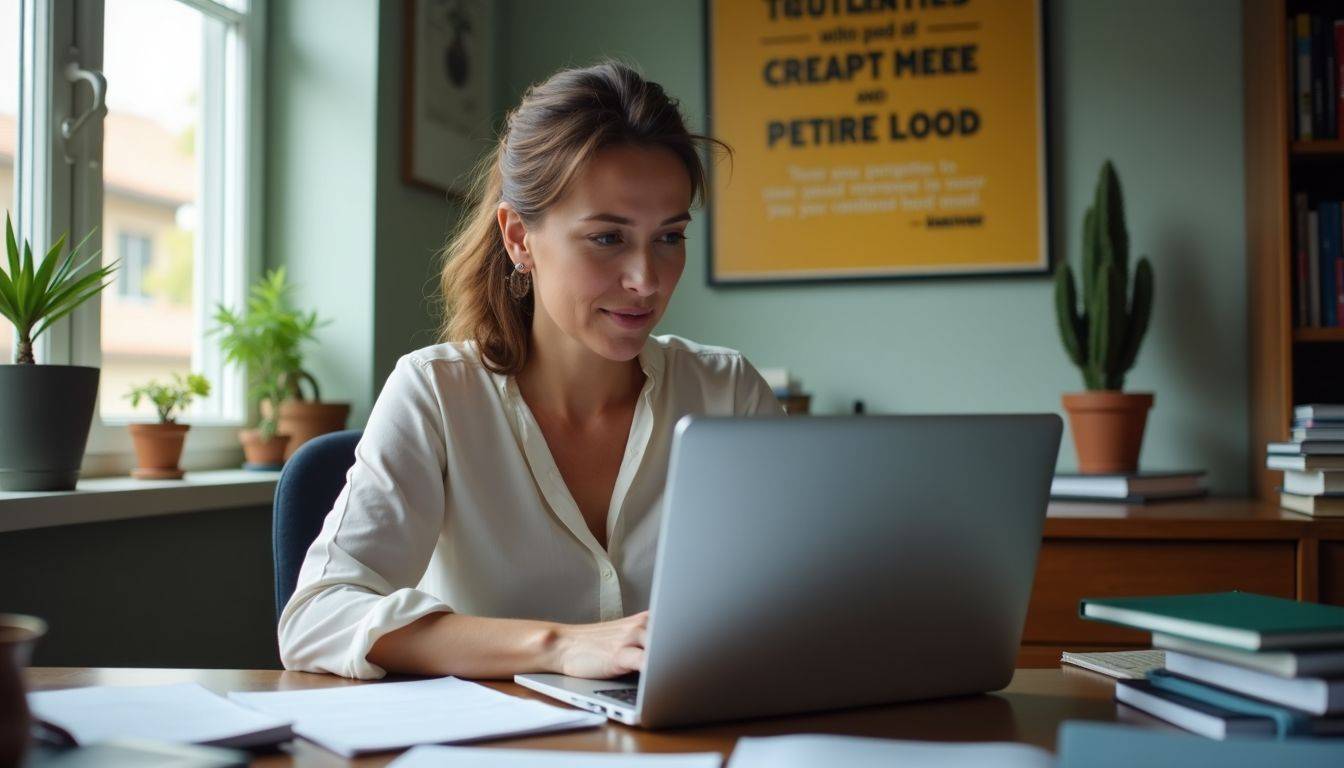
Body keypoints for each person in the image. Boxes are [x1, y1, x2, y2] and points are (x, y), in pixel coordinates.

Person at [277, 60, 782, 681]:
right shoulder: (437, 393)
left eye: (669, 238)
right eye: (606, 239)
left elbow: (818, 589)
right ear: (518, 237)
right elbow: (317, 617)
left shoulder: (726, 393)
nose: (645, 280)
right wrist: (561, 646)